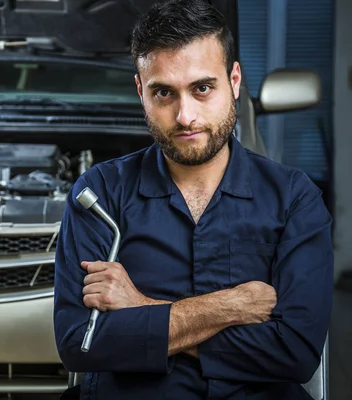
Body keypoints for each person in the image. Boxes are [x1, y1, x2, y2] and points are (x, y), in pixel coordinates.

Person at [53, 0, 334, 399]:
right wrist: (231, 306)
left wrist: (139, 309)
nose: (185, 116)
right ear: (140, 91)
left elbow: (296, 352)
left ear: (234, 81)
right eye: (164, 92)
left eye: (202, 88)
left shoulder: (294, 198)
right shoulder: (98, 194)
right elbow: (81, 343)